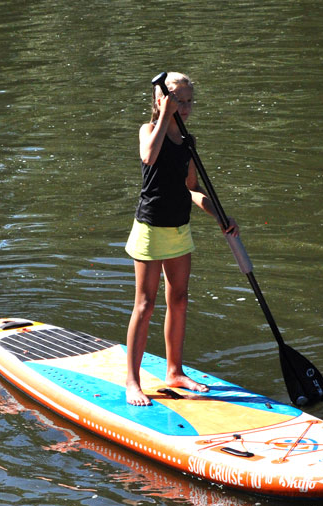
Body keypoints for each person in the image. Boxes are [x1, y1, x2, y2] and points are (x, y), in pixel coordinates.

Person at [124, 72, 238, 407]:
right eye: (178, 100)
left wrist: (219, 215)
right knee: (145, 306)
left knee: (181, 300)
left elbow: (192, 190)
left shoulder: (190, 142)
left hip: (179, 229)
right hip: (150, 228)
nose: (184, 107)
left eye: (189, 101)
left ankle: (174, 371)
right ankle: (133, 381)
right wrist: (164, 116)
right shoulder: (149, 131)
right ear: (160, 100)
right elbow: (149, 156)